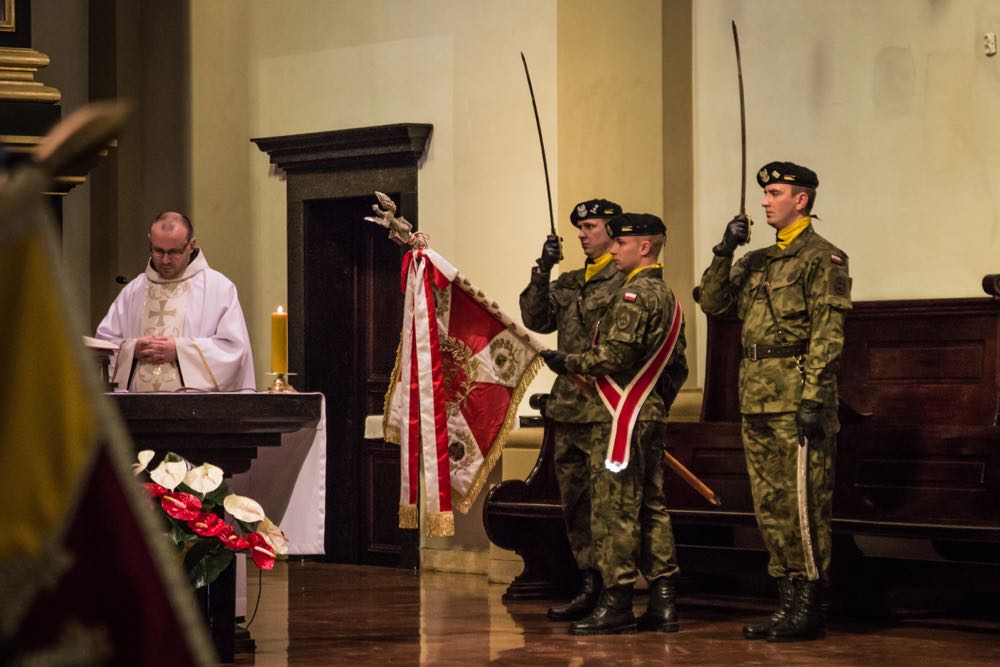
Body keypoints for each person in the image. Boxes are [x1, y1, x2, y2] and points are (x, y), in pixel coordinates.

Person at [698, 162, 852, 642]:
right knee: (769, 505)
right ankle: (785, 601)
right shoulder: (759, 260)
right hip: (757, 397)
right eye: (765, 193)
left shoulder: (822, 258)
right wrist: (725, 251)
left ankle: (809, 604)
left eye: (776, 192)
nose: (766, 200)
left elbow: (828, 333)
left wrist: (814, 398)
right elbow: (715, 304)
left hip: (796, 398)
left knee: (803, 504)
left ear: (801, 200)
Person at [540, 213, 688, 635]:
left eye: (621, 243)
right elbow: (677, 367)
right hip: (645, 411)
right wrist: (654, 404)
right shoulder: (668, 296)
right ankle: (663, 601)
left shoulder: (634, 296)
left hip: (619, 414)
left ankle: (618, 600)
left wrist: (568, 362)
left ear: (645, 247)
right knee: (651, 507)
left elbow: (614, 357)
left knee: (614, 510)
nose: (613, 249)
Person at [519, 198, 626, 623]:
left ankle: (614, 591)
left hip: (607, 409)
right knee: (576, 504)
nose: (583, 234)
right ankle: (588, 583)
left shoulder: (624, 281)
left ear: (613, 231)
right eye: (579, 227)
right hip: (568, 409)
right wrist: (541, 270)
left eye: (592, 226)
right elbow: (536, 317)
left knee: (606, 507)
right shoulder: (568, 281)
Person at [97, 211, 255, 392]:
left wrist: (179, 351)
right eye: (158, 251)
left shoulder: (218, 288)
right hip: (138, 411)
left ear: (191, 245)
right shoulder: (133, 291)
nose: (165, 260)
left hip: (196, 412)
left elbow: (234, 351)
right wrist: (132, 350)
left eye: (173, 252)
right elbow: (103, 347)